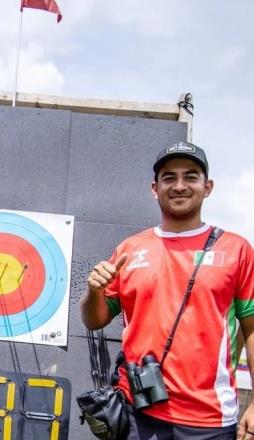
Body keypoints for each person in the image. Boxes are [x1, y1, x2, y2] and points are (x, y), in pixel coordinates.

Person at [80, 142, 254, 440]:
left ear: (207, 186)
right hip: (137, 413)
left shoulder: (236, 249)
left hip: (209, 420)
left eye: (191, 176)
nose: (179, 185)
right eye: (169, 177)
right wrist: (94, 291)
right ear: (154, 187)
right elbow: (93, 320)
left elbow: (251, 329)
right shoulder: (130, 248)